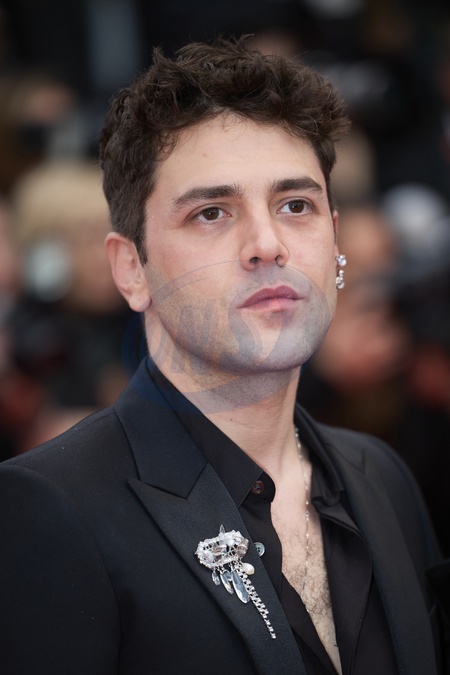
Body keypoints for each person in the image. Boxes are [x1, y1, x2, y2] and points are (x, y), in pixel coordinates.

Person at [0, 37, 447, 675]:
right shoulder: (48, 509)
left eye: (296, 205)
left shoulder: (384, 479)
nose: (267, 243)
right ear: (131, 270)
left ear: (335, 242)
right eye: (211, 213)